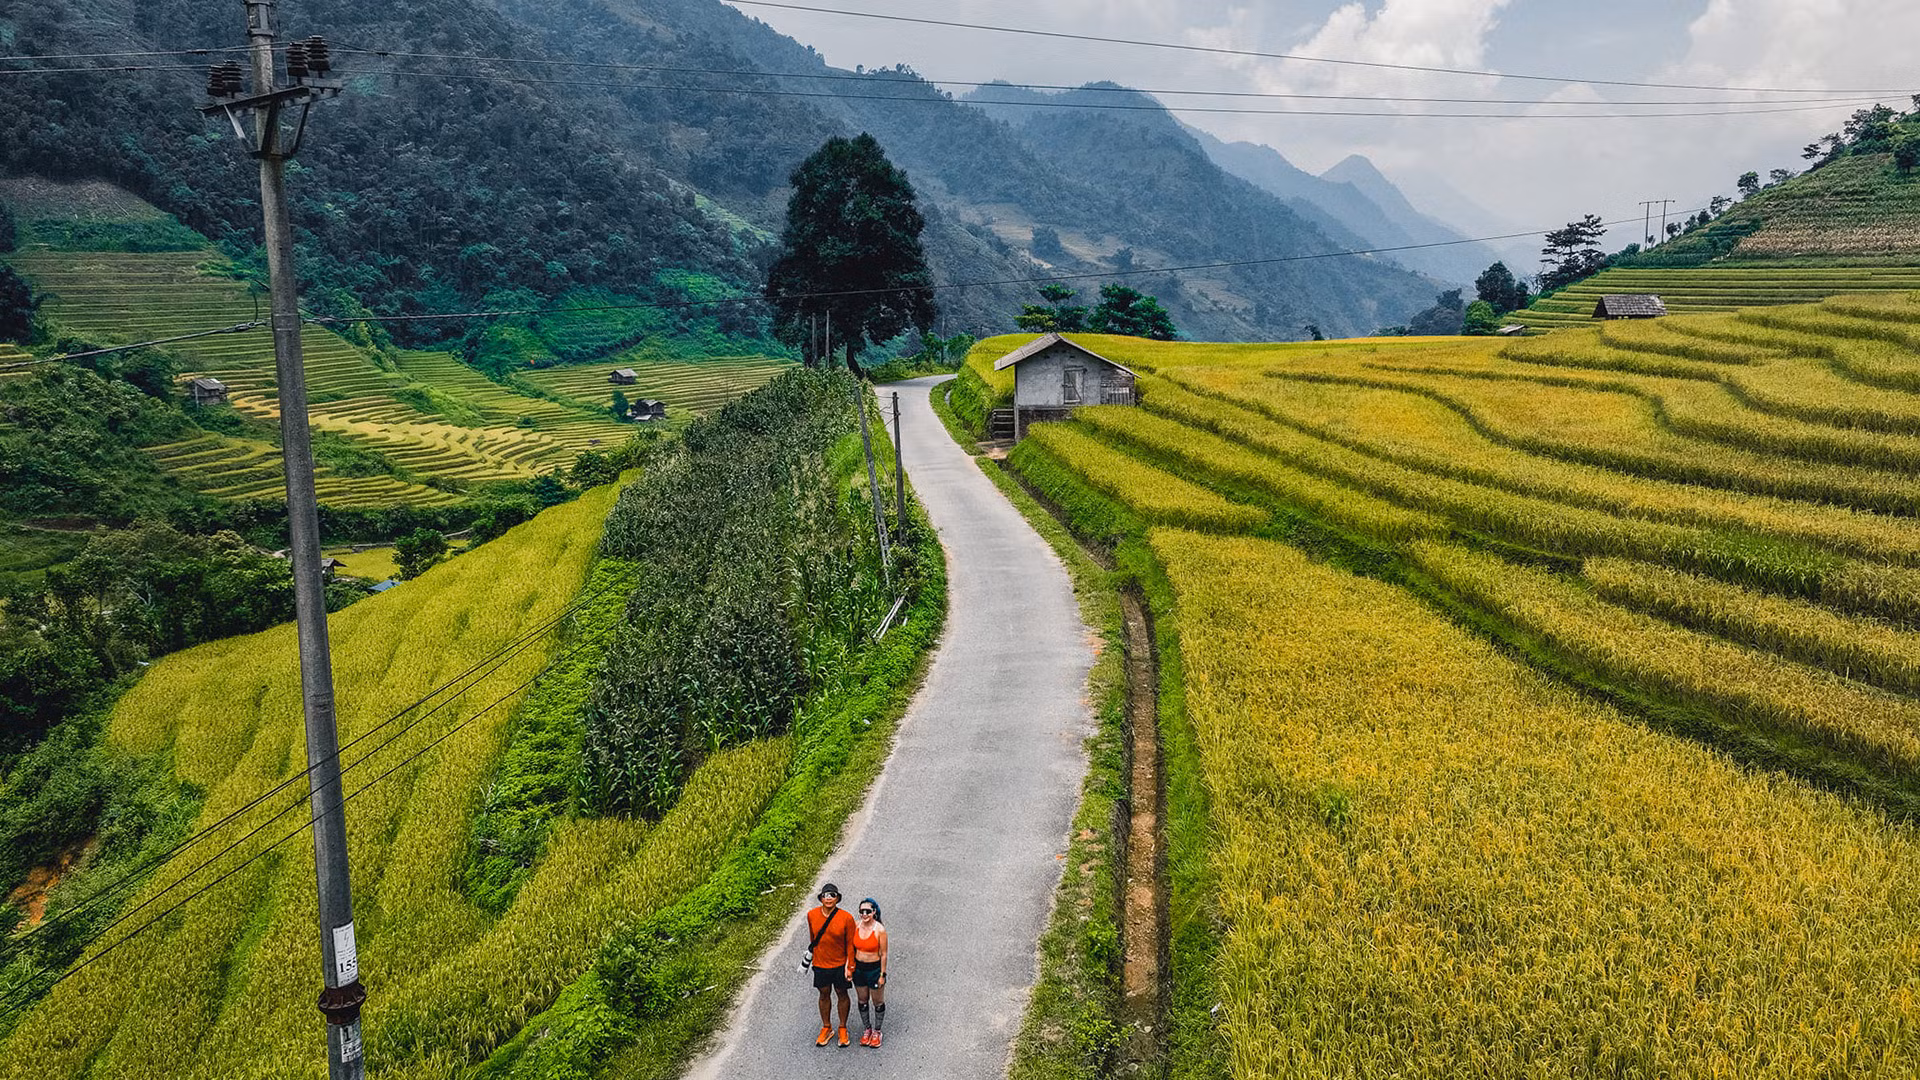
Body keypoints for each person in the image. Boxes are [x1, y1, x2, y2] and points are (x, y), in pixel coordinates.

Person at [803, 882, 856, 1047]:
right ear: (821, 899)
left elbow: (850, 944)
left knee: (842, 993)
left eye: (832, 895)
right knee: (824, 993)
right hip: (821, 964)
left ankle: (842, 1027)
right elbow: (813, 939)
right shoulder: (811, 915)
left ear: (837, 899)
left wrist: (850, 966)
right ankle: (826, 1027)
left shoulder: (846, 918)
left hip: (840, 964)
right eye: (825, 895)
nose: (828, 898)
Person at [849, 897, 889, 1047]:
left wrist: (882, 974)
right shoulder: (856, 926)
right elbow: (851, 948)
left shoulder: (880, 930)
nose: (864, 914)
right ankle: (867, 1029)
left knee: (877, 1002)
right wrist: (850, 967)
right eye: (861, 911)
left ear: (874, 912)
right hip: (859, 969)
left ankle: (877, 1031)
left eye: (868, 911)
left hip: (874, 969)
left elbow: (884, 954)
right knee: (862, 1000)